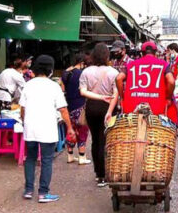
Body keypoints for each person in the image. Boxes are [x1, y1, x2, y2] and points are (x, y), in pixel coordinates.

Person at [20, 55, 76, 203]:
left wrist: (24, 121)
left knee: (30, 159)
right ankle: (43, 193)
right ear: (50, 69)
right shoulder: (54, 86)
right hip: (47, 129)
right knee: (46, 160)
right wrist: (69, 127)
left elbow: (22, 108)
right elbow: (63, 110)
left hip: (30, 128)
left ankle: (28, 190)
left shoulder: (28, 85)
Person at [79, 43, 119, 187]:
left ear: (94, 56)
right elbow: (116, 94)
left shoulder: (86, 72)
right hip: (108, 106)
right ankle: (106, 173)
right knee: (107, 140)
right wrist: (109, 111)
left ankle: (99, 174)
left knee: (95, 140)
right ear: (107, 56)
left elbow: (82, 92)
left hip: (91, 107)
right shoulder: (114, 72)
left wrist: (97, 97)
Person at [116, 41, 175, 118]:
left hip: (132, 110)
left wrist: (122, 97)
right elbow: (171, 81)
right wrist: (168, 98)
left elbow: (118, 78)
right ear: (156, 52)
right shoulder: (163, 64)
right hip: (156, 110)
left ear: (141, 53)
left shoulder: (131, 65)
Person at [61, 53, 91, 165]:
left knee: (70, 129)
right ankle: (82, 157)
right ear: (82, 62)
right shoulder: (82, 74)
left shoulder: (65, 73)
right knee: (82, 130)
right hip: (80, 105)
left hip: (68, 105)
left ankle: (70, 156)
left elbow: (63, 89)